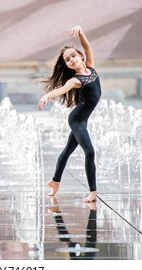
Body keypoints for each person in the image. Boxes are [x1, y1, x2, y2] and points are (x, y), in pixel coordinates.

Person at [38, 26, 101, 203]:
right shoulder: (75, 80)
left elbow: (87, 46)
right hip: (77, 120)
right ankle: (92, 192)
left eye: (73, 56)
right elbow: (61, 89)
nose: (71, 60)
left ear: (80, 56)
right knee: (89, 152)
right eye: (67, 60)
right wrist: (46, 96)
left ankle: (55, 182)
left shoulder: (91, 68)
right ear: (67, 65)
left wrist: (80, 32)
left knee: (66, 152)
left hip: (82, 119)